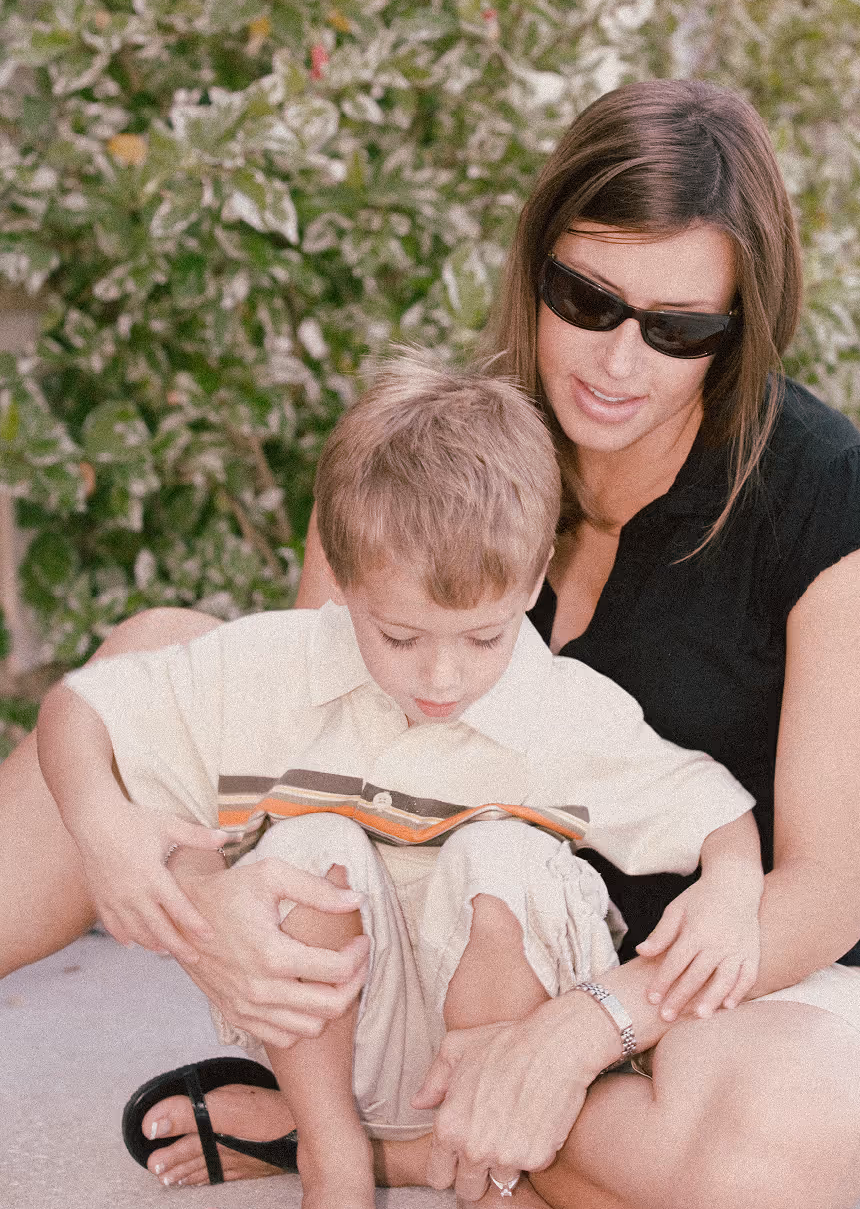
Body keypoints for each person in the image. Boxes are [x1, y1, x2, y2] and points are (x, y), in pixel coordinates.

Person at [0, 78, 860, 1209]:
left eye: (678, 328)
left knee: (764, 1154)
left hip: (727, 982)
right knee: (143, 664)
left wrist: (586, 1027)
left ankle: (367, 1145)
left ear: (739, 327)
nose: (618, 363)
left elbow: (823, 893)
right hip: (442, 944)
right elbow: (314, 742)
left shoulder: (829, 498)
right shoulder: (431, 454)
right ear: (535, 261)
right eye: (587, 299)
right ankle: (453, 1131)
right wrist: (197, 891)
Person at [33, 351, 764, 1209]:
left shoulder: (564, 713)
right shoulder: (275, 667)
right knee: (311, 848)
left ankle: (474, 1161)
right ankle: (332, 1151)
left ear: (532, 583)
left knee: (505, 859)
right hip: (338, 1039)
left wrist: (732, 888)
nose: (443, 679)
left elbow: (715, 810)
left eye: (484, 638)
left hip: (504, 1053)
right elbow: (78, 708)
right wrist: (103, 830)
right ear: (344, 583)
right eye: (403, 638)